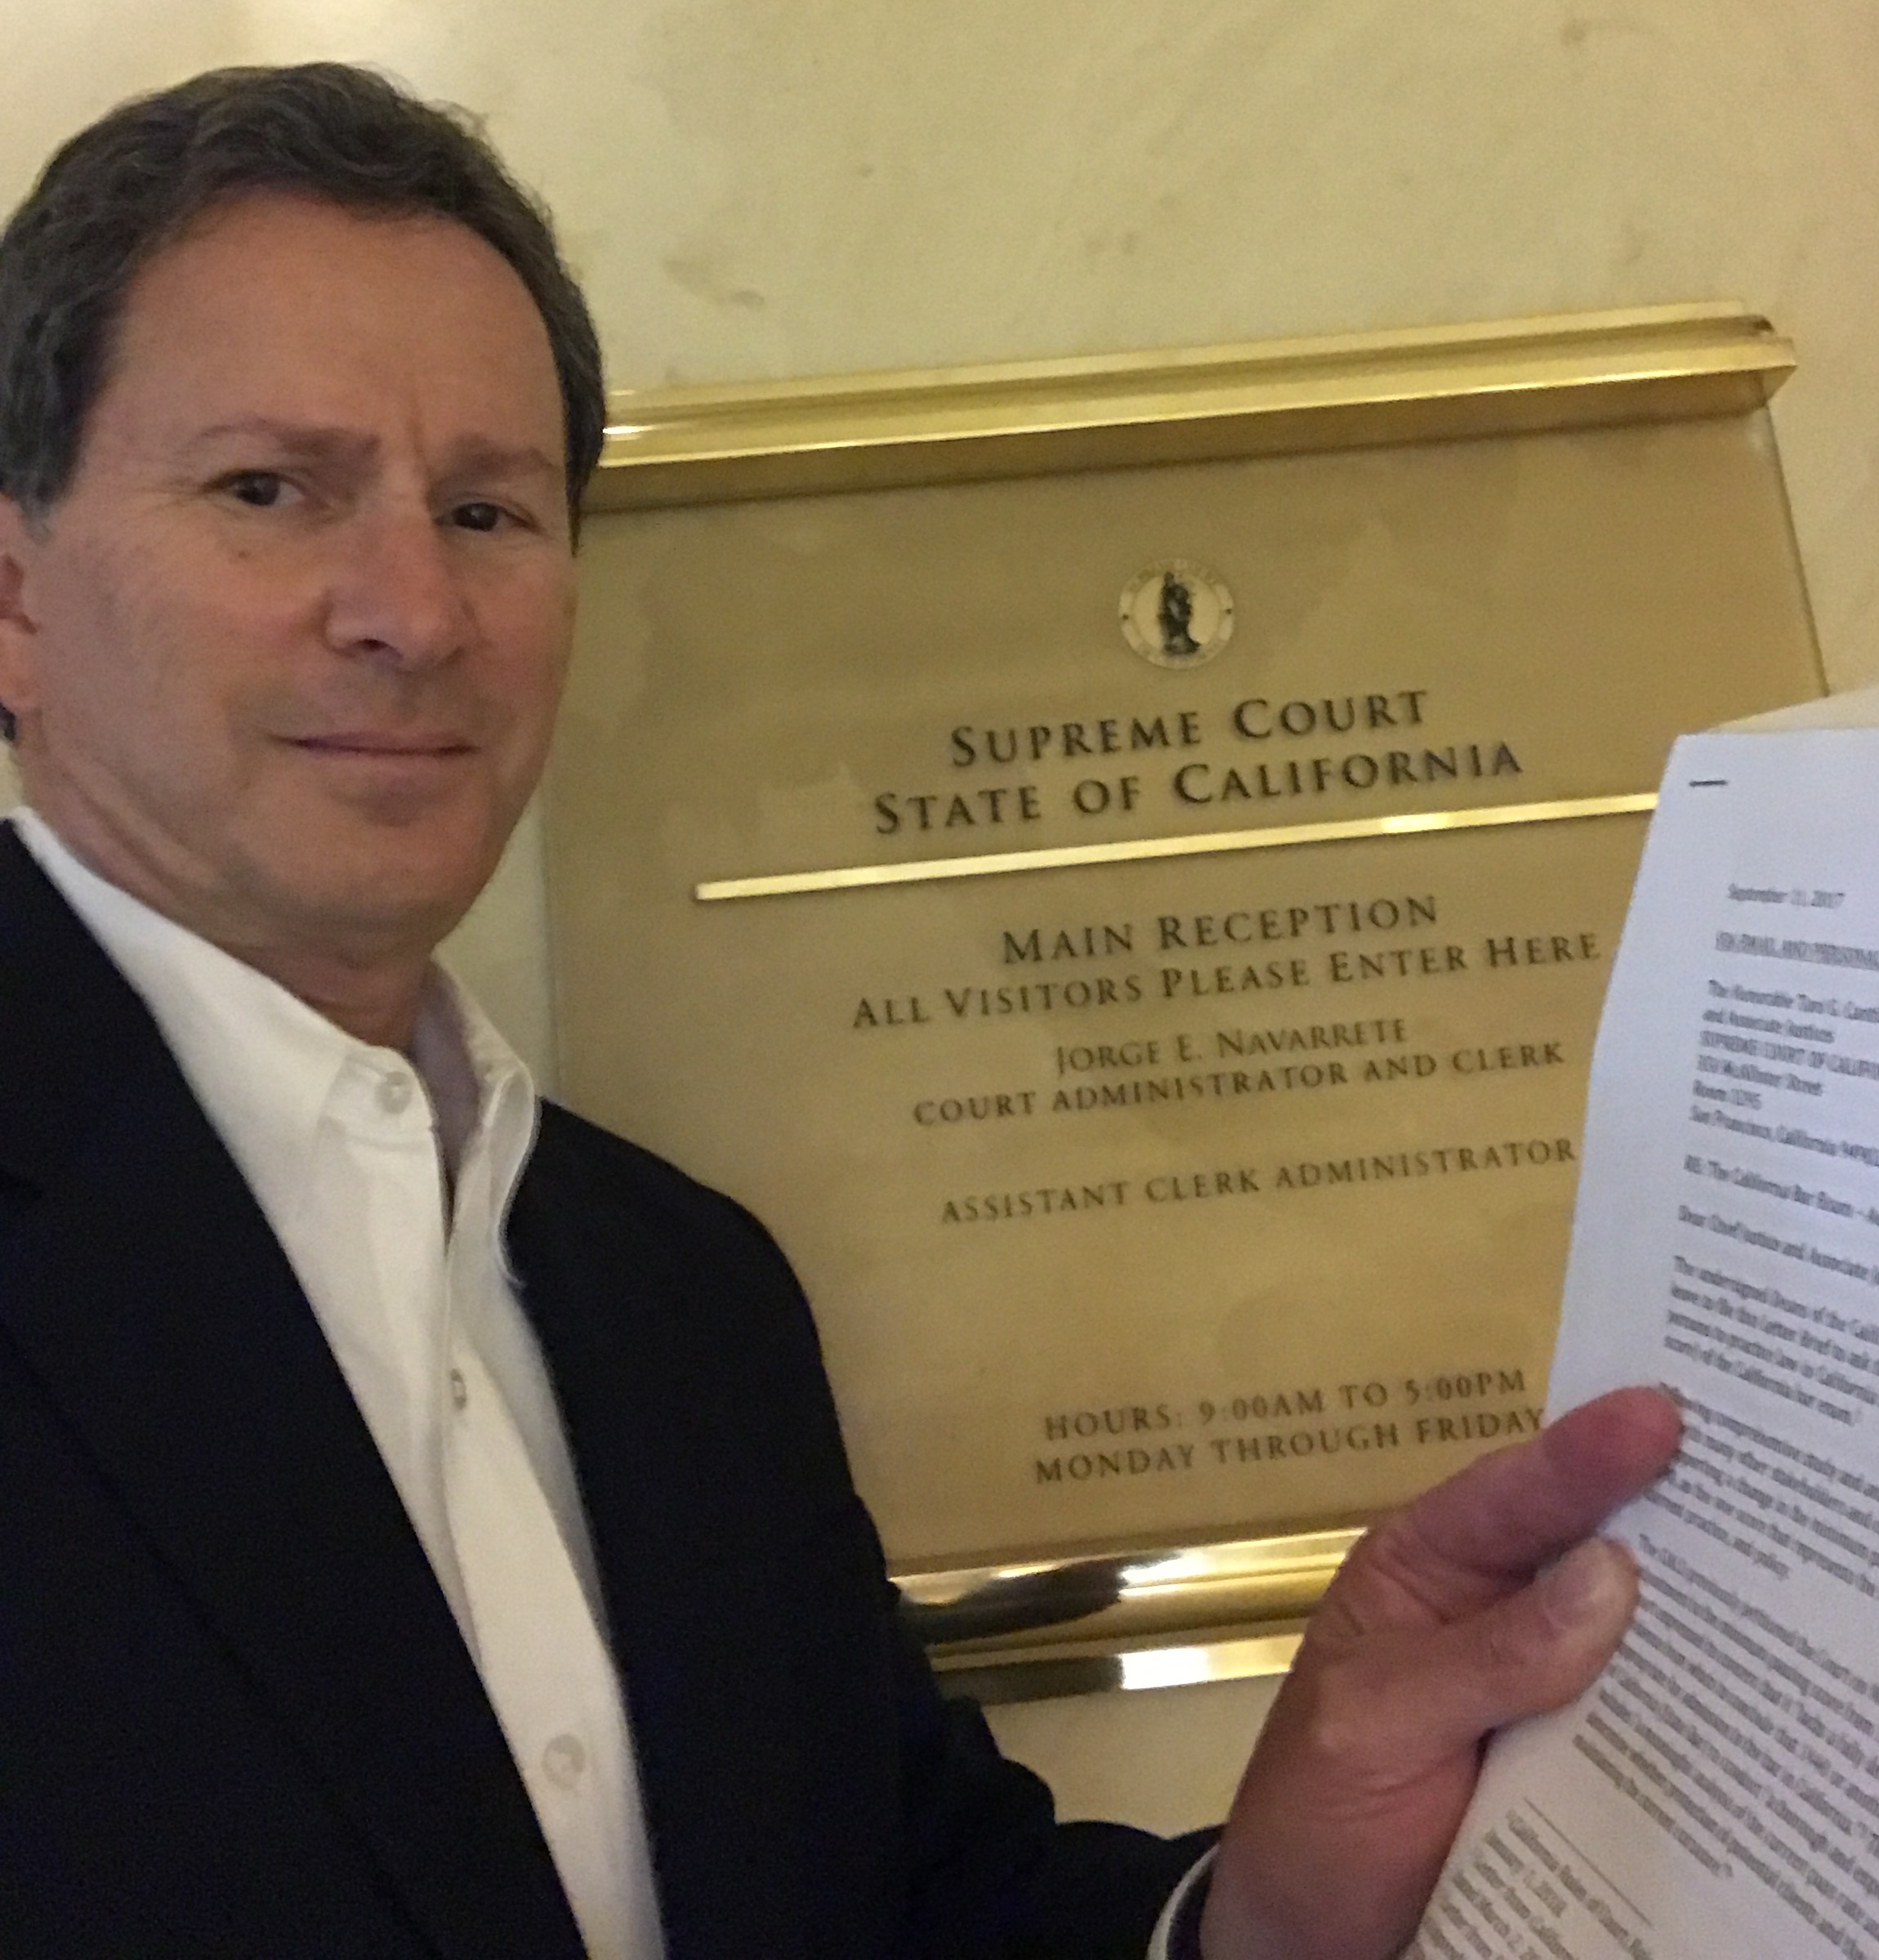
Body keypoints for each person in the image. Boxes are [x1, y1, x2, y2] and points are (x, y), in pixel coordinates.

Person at [0, 64, 1682, 1959]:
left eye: (488, 510)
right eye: (267, 489)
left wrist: (1267, 1899)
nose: (414, 608)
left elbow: (908, 1908)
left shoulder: (682, 1293)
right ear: (16, 587)